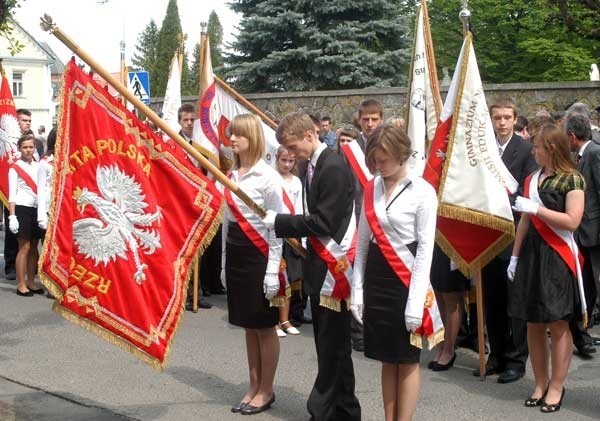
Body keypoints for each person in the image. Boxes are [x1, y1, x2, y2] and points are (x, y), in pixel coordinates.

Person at [264, 111, 361, 420]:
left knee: (332, 345)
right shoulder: (312, 165)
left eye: (293, 147)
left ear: (309, 135)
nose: (291, 155)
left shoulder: (331, 166)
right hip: (320, 263)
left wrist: (281, 222)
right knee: (330, 344)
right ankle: (345, 410)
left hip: (334, 268)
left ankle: (322, 410)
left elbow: (324, 221)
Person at [350, 124, 437, 421]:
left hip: (406, 278)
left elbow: (426, 249)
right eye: (374, 160)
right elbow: (362, 242)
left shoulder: (423, 191)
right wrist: (357, 290)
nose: (378, 166)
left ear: (401, 155)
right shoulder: (372, 186)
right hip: (377, 275)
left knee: (407, 358)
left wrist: (415, 303)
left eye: (383, 160)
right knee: (387, 357)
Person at [509, 123, 585, 413]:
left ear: (551, 149)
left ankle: (556, 385)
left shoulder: (572, 180)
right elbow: (524, 223)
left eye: (537, 147)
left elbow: (572, 221)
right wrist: (515, 258)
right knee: (533, 322)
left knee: (557, 321)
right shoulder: (531, 179)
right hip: (531, 256)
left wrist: (537, 209)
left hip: (557, 257)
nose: (533, 151)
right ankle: (539, 383)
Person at [221, 114, 283, 416]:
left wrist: (273, 269)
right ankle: (253, 385)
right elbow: (227, 221)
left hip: (259, 255)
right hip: (236, 253)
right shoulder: (231, 174)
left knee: (264, 326)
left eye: (239, 135)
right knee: (248, 325)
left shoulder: (268, 177)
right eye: (231, 134)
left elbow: (277, 227)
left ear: (253, 138)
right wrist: (223, 261)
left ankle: (267, 389)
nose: (232, 139)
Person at [477, 98, 537, 383]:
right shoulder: (483, 149)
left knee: (514, 300)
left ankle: (516, 359)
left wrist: (502, 204)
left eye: (506, 118)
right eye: (497, 117)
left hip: (514, 232)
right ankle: (497, 354)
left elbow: (527, 191)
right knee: (492, 297)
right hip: (488, 234)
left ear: (515, 120)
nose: (501, 123)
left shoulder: (526, 150)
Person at [566, 114, 598, 357]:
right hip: (584, 233)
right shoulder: (580, 155)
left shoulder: (595, 154)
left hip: (594, 233)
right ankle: (582, 330)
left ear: (572, 137)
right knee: (587, 284)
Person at [176, 104, 214, 310]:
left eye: (192, 120)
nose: (190, 123)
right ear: (179, 122)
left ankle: (195, 293)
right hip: (180, 201)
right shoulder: (173, 142)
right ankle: (182, 293)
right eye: (186, 120)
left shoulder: (203, 143)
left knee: (197, 247)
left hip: (200, 198)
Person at [9, 134, 43, 296]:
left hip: (37, 209)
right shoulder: (15, 168)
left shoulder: (39, 166)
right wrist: (12, 215)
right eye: (25, 147)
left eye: (31, 147)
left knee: (34, 248)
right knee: (25, 247)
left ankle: (31, 281)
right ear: (20, 149)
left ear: (35, 147)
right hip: (22, 209)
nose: (28, 150)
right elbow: (12, 194)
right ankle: (21, 284)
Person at [274, 146, 302, 338]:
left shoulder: (297, 182)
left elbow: (299, 207)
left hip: (292, 233)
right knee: (276, 277)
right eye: (283, 160)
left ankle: (285, 319)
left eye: (291, 161)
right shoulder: (271, 179)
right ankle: (273, 321)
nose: (287, 164)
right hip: (275, 231)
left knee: (290, 278)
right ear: (277, 159)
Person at [428, 246, 470, 371]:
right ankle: (441, 346)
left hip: (455, 242)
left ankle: (449, 350)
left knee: (450, 293)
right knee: (438, 293)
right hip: (436, 240)